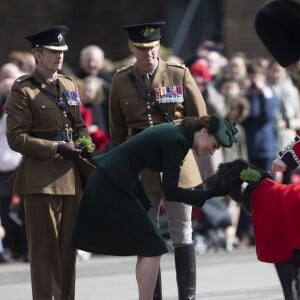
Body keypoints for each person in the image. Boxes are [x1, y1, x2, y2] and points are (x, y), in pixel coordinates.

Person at [71, 114, 238, 300]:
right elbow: (172, 191)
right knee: (154, 247)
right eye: (214, 145)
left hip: (112, 178)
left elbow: (134, 156)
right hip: (112, 183)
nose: (212, 152)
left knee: (148, 246)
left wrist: (141, 193)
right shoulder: (178, 140)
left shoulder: (176, 133)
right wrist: (209, 194)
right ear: (204, 133)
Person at [109, 21, 207, 299]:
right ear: (131, 48)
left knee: (182, 232)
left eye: (152, 48)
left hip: (178, 164)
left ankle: (187, 295)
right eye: (141, 49)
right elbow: (117, 128)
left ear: (159, 46)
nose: (148, 54)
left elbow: (201, 120)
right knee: (147, 235)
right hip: (142, 167)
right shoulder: (119, 80)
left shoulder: (178, 74)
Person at [5, 25, 89, 300]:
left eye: (62, 51)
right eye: (53, 52)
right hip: (40, 179)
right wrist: (55, 146)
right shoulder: (23, 90)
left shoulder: (68, 84)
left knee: (68, 250)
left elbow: (79, 126)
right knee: (44, 251)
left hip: (70, 177)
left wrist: (86, 146)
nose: (59, 56)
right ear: (37, 55)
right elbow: (16, 138)